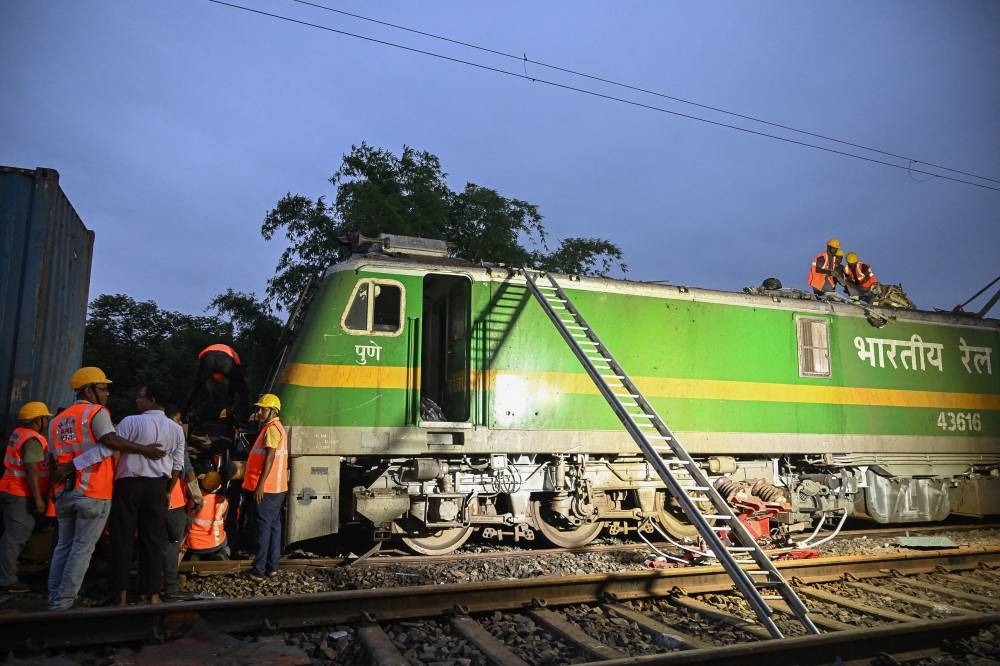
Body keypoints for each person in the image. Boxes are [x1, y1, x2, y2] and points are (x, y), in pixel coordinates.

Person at [47, 367, 166, 611]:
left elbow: (52, 458)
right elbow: (110, 443)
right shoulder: (96, 412)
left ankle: (54, 598)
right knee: (81, 549)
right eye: (102, 388)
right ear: (88, 390)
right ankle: (63, 604)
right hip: (92, 490)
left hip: (64, 492)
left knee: (63, 546)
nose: (107, 393)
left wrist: (59, 479)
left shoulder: (57, 420)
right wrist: (147, 450)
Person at [0, 402, 52, 593]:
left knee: (12, 536)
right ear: (39, 420)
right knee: (15, 537)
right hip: (19, 493)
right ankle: (6, 579)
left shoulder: (19, 433)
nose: (47, 421)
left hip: (10, 490)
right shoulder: (32, 440)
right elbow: (31, 470)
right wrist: (38, 499)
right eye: (46, 418)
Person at [241, 394, 287, 579]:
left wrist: (260, 486)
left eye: (262, 409)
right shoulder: (275, 427)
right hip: (277, 487)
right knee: (274, 526)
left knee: (263, 528)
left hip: (267, 489)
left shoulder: (272, 430)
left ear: (272, 411)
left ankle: (258, 571)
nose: (259, 412)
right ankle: (272, 567)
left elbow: (270, 457)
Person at [162, 405, 201, 601]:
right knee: (172, 543)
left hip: (148, 496)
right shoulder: (176, 433)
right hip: (172, 499)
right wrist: (197, 496)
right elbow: (185, 467)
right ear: (177, 418)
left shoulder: (149, 429)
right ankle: (170, 589)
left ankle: (150, 586)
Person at [182, 344, 249, 424]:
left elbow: (201, 365)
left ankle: (183, 413)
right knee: (242, 390)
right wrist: (230, 401)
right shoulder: (235, 355)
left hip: (207, 358)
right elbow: (235, 378)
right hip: (226, 360)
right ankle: (241, 420)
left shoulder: (206, 353)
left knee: (195, 387)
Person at [185, 471, 230, 560]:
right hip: (215, 543)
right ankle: (222, 554)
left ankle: (195, 556)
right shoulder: (222, 502)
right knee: (226, 546)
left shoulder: (193, 500)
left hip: (193, 544)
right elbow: (224, 519)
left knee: (196, 551)